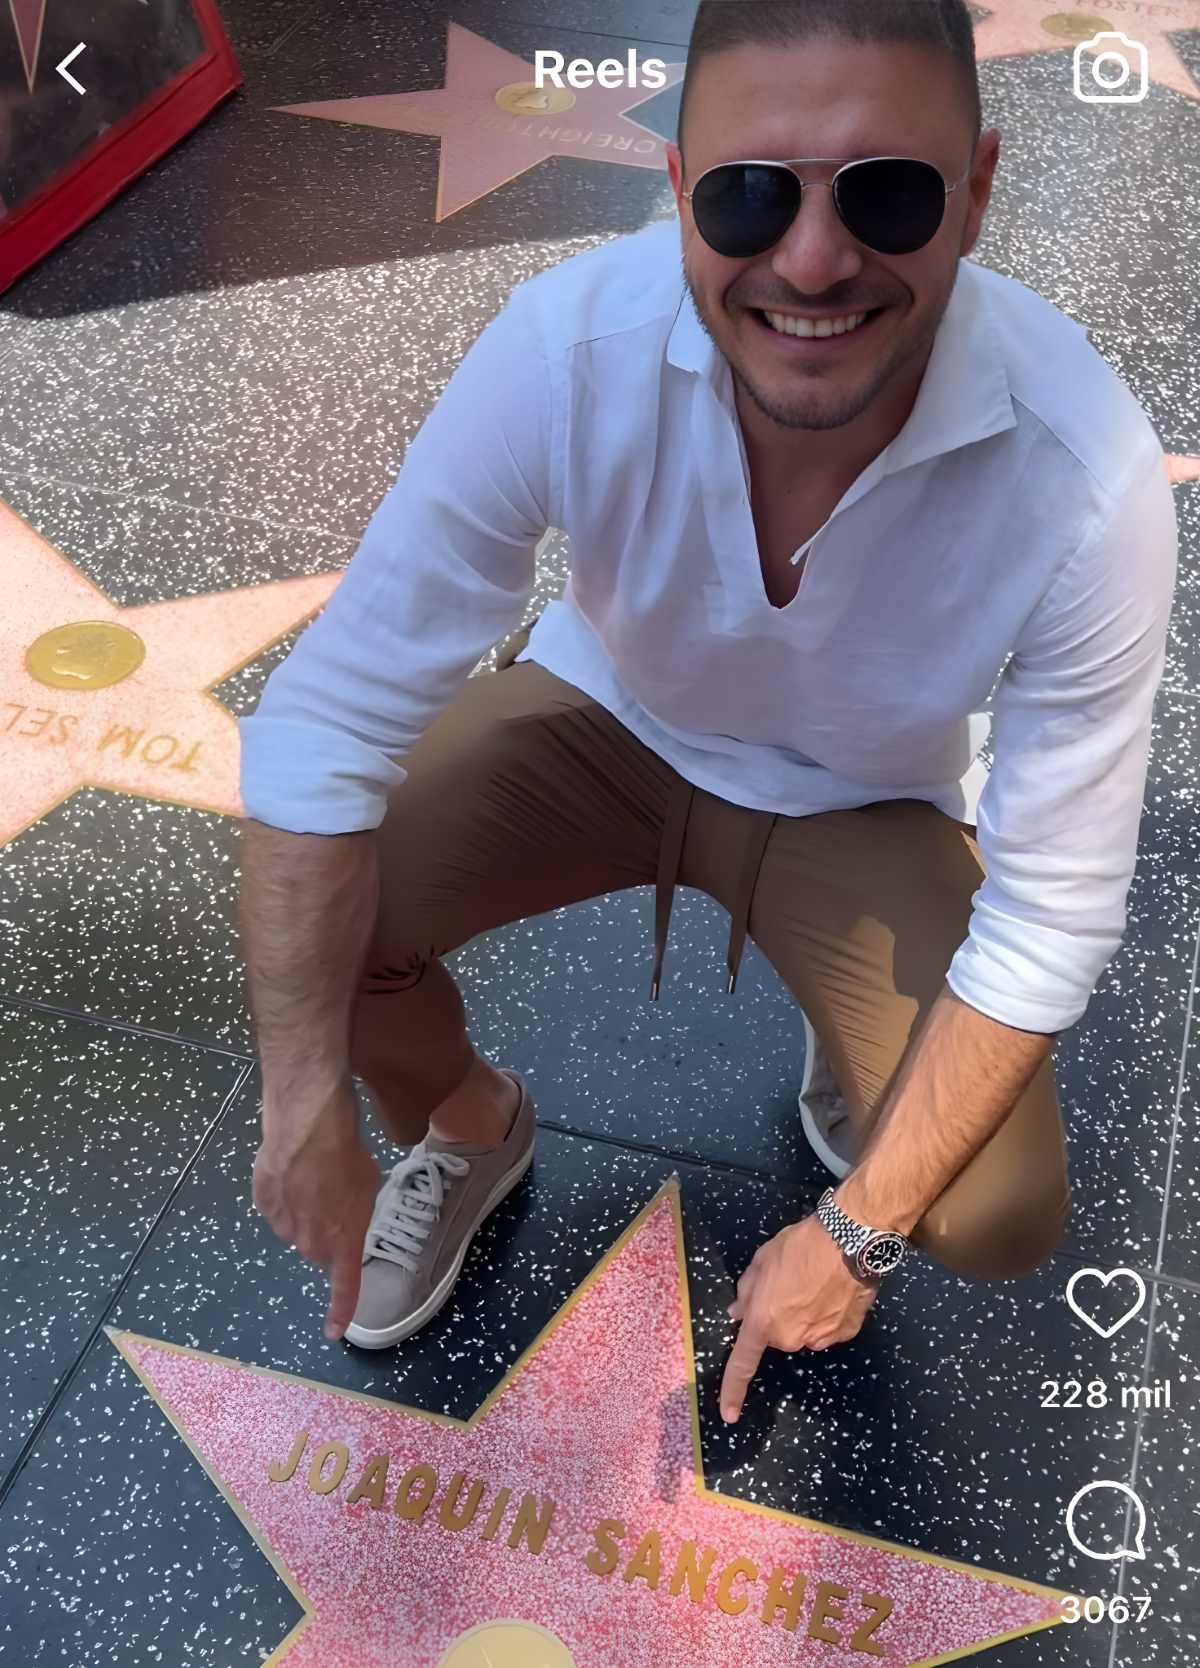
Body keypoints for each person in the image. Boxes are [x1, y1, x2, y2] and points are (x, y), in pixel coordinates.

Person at [238, 0, 1177, 1427]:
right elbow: (323, 729)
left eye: (889, 192)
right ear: (676, 186)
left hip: (861, 801)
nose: (812, 260)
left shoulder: (1084, 471)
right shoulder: (567, 345)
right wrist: (302, 1099)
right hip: (604, 724)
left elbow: (1054, 909)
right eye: (748, 195)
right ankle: (471, 1123)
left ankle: (858, 1051)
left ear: (980, 190)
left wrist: (857, 1234)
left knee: (990, 1209)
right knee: (324, 922)